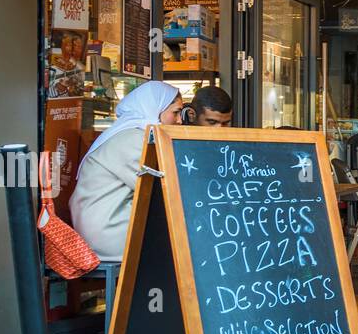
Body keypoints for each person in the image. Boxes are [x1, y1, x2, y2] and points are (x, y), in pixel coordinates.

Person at [70, 81, 235, 260]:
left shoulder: (136, 135)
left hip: (109, 225)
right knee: (195, 239)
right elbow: (163, 188)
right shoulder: (132, 139)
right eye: (176, 112)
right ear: (156, 109)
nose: (180, 120)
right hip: (108, 232)